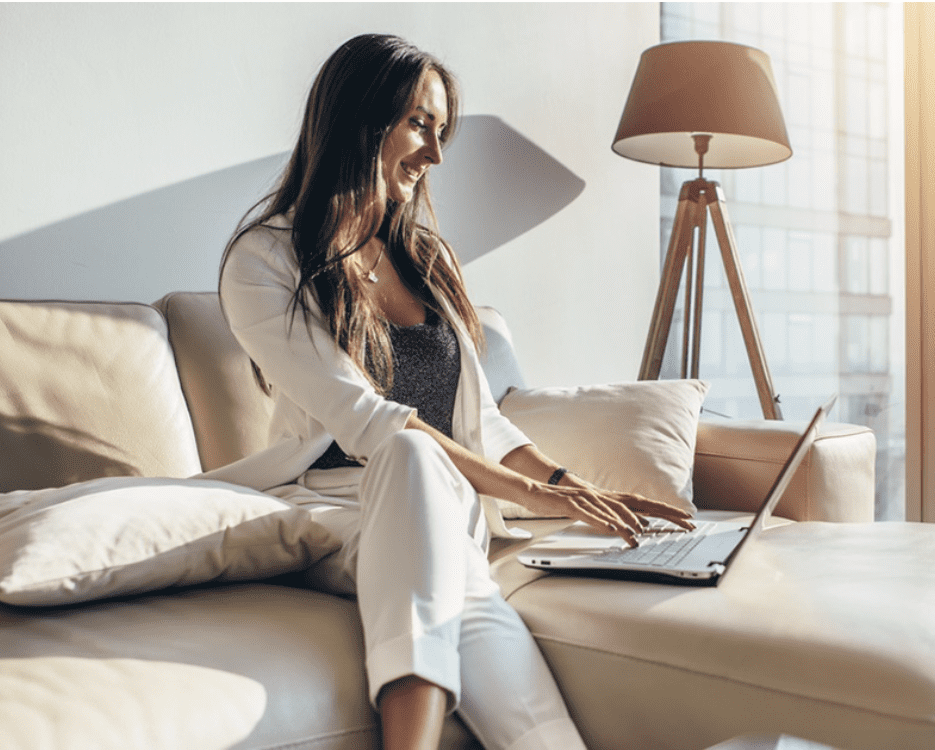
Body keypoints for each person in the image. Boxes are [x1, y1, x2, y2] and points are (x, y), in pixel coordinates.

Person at [202, 33, 693, 750]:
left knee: (543, 736)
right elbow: (371, 422)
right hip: (337, 513)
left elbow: (483, 422)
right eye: (420, 125)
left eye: (441, 132)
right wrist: (539, 500)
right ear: (359, 118)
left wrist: (577, 489)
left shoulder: (427, 259)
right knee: (408, 457)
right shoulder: (264, 261)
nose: (435, 154)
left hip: (448, 522)